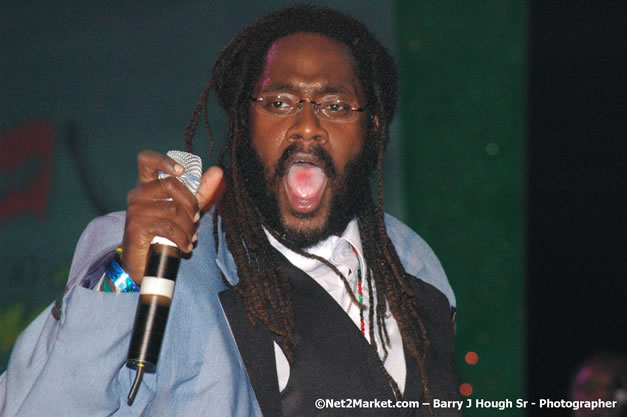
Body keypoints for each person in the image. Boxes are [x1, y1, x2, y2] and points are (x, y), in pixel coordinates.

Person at [0, 5, 459, 416]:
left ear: (372, 129)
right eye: (279, 102)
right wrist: (127, 277)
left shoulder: (411, 265)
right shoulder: (160, 253)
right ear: (243, 121)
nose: (306, 125)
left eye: (335, 105)